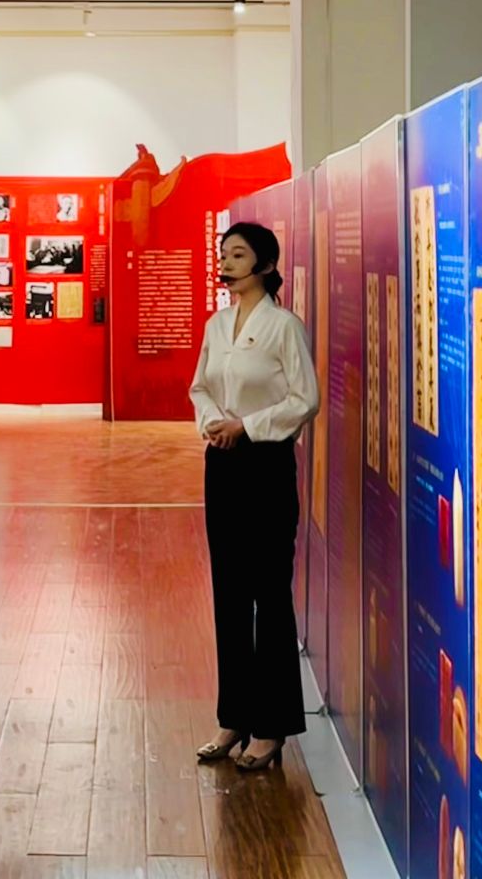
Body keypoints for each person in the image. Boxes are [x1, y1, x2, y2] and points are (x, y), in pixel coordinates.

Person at [188, 221, 319, 773]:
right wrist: (213, 423)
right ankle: (234, 718)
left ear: (265, 264)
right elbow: (200, 387)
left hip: (266, 465)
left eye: (238, 255)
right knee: (229, 593)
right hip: (222, 465)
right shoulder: (217, 325)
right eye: (224, 254)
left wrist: (247, 425)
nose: (226, 263)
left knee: (270, 592)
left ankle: (272, 727)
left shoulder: (284, 327)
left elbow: (305, 399)